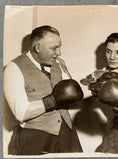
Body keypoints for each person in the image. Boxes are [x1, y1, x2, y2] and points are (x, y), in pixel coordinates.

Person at [4, 25, 83, 155]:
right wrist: (53, 100)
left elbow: (72, 94)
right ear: (37, 47)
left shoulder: (58, 63)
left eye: (59, 47)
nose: (59, 53)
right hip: (36, 136)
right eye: (54, 48)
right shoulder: (13, 68)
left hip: (66, 132)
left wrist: (95, 88)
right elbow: (20, 113)